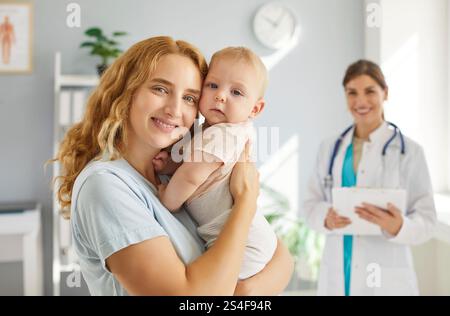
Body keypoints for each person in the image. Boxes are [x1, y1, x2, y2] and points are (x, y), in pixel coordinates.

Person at [53, 36, 293, 296]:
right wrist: (246, 201)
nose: (174, 109)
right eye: (160, 89)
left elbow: (283, 261)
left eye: (190, 98)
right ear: (126, 92)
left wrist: (243, 291)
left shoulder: (171, 175)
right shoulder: (106, 185)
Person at [303, 59, 437, 296]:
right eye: (352, 93)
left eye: (370, 91)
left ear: (385, 93)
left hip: (387, 277)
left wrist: (399, 226)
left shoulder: (410, 152)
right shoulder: (330, 148)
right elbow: (310, 205)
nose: (360, 101)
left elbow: (427, 222)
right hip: (338, 268)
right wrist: (326, 218)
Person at [157, 47, 277, 280]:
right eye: (213, 86)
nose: (221, 95)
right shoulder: (217, 131)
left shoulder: (222, 134)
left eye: (236, 92)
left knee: (209, 286)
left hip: (246, 245)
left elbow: (191, 176)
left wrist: (168, 199)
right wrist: (171, 164)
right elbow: (197, 166)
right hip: (247, 236)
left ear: (255, 108)